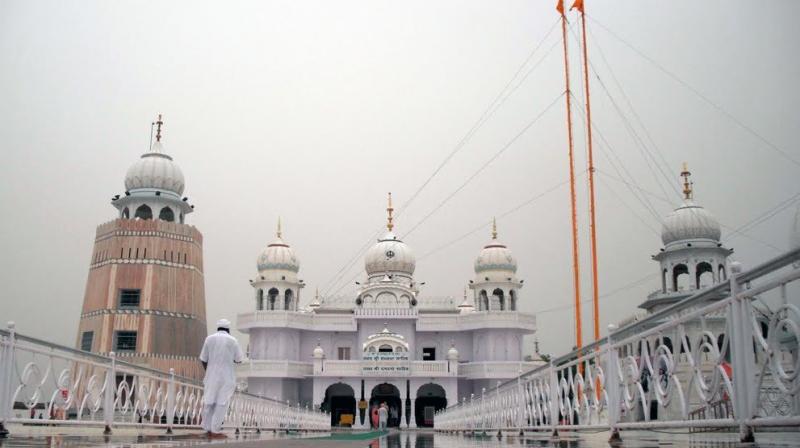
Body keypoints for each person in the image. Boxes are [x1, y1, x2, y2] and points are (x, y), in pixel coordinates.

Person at [199, 318, 244, 438]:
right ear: (228, 329)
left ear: (218, 328)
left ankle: (207, 429)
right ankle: (215, 430)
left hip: (211, 376)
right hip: (226, 377)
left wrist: (209, 371)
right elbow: (239, 359)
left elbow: (203, 359)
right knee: (222, 403)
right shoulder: (233, 341)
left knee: (209, 401)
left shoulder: (209, 339)